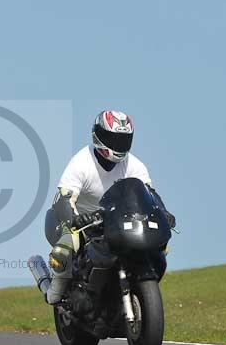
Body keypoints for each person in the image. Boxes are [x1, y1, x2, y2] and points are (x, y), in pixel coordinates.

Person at [43, 110, 175, 304]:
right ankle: (56, 291)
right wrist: (74, 218)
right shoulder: (81, 163)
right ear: (99, 136)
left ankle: (138, 291)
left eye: (123, 139)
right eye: (112, 138)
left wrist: (163, 213)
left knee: (159, 245)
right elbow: (64, 197)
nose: (118, 144)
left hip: (115, 221)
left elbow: (150, 195)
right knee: (65, 247)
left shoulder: (135, 165)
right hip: (80, 221)